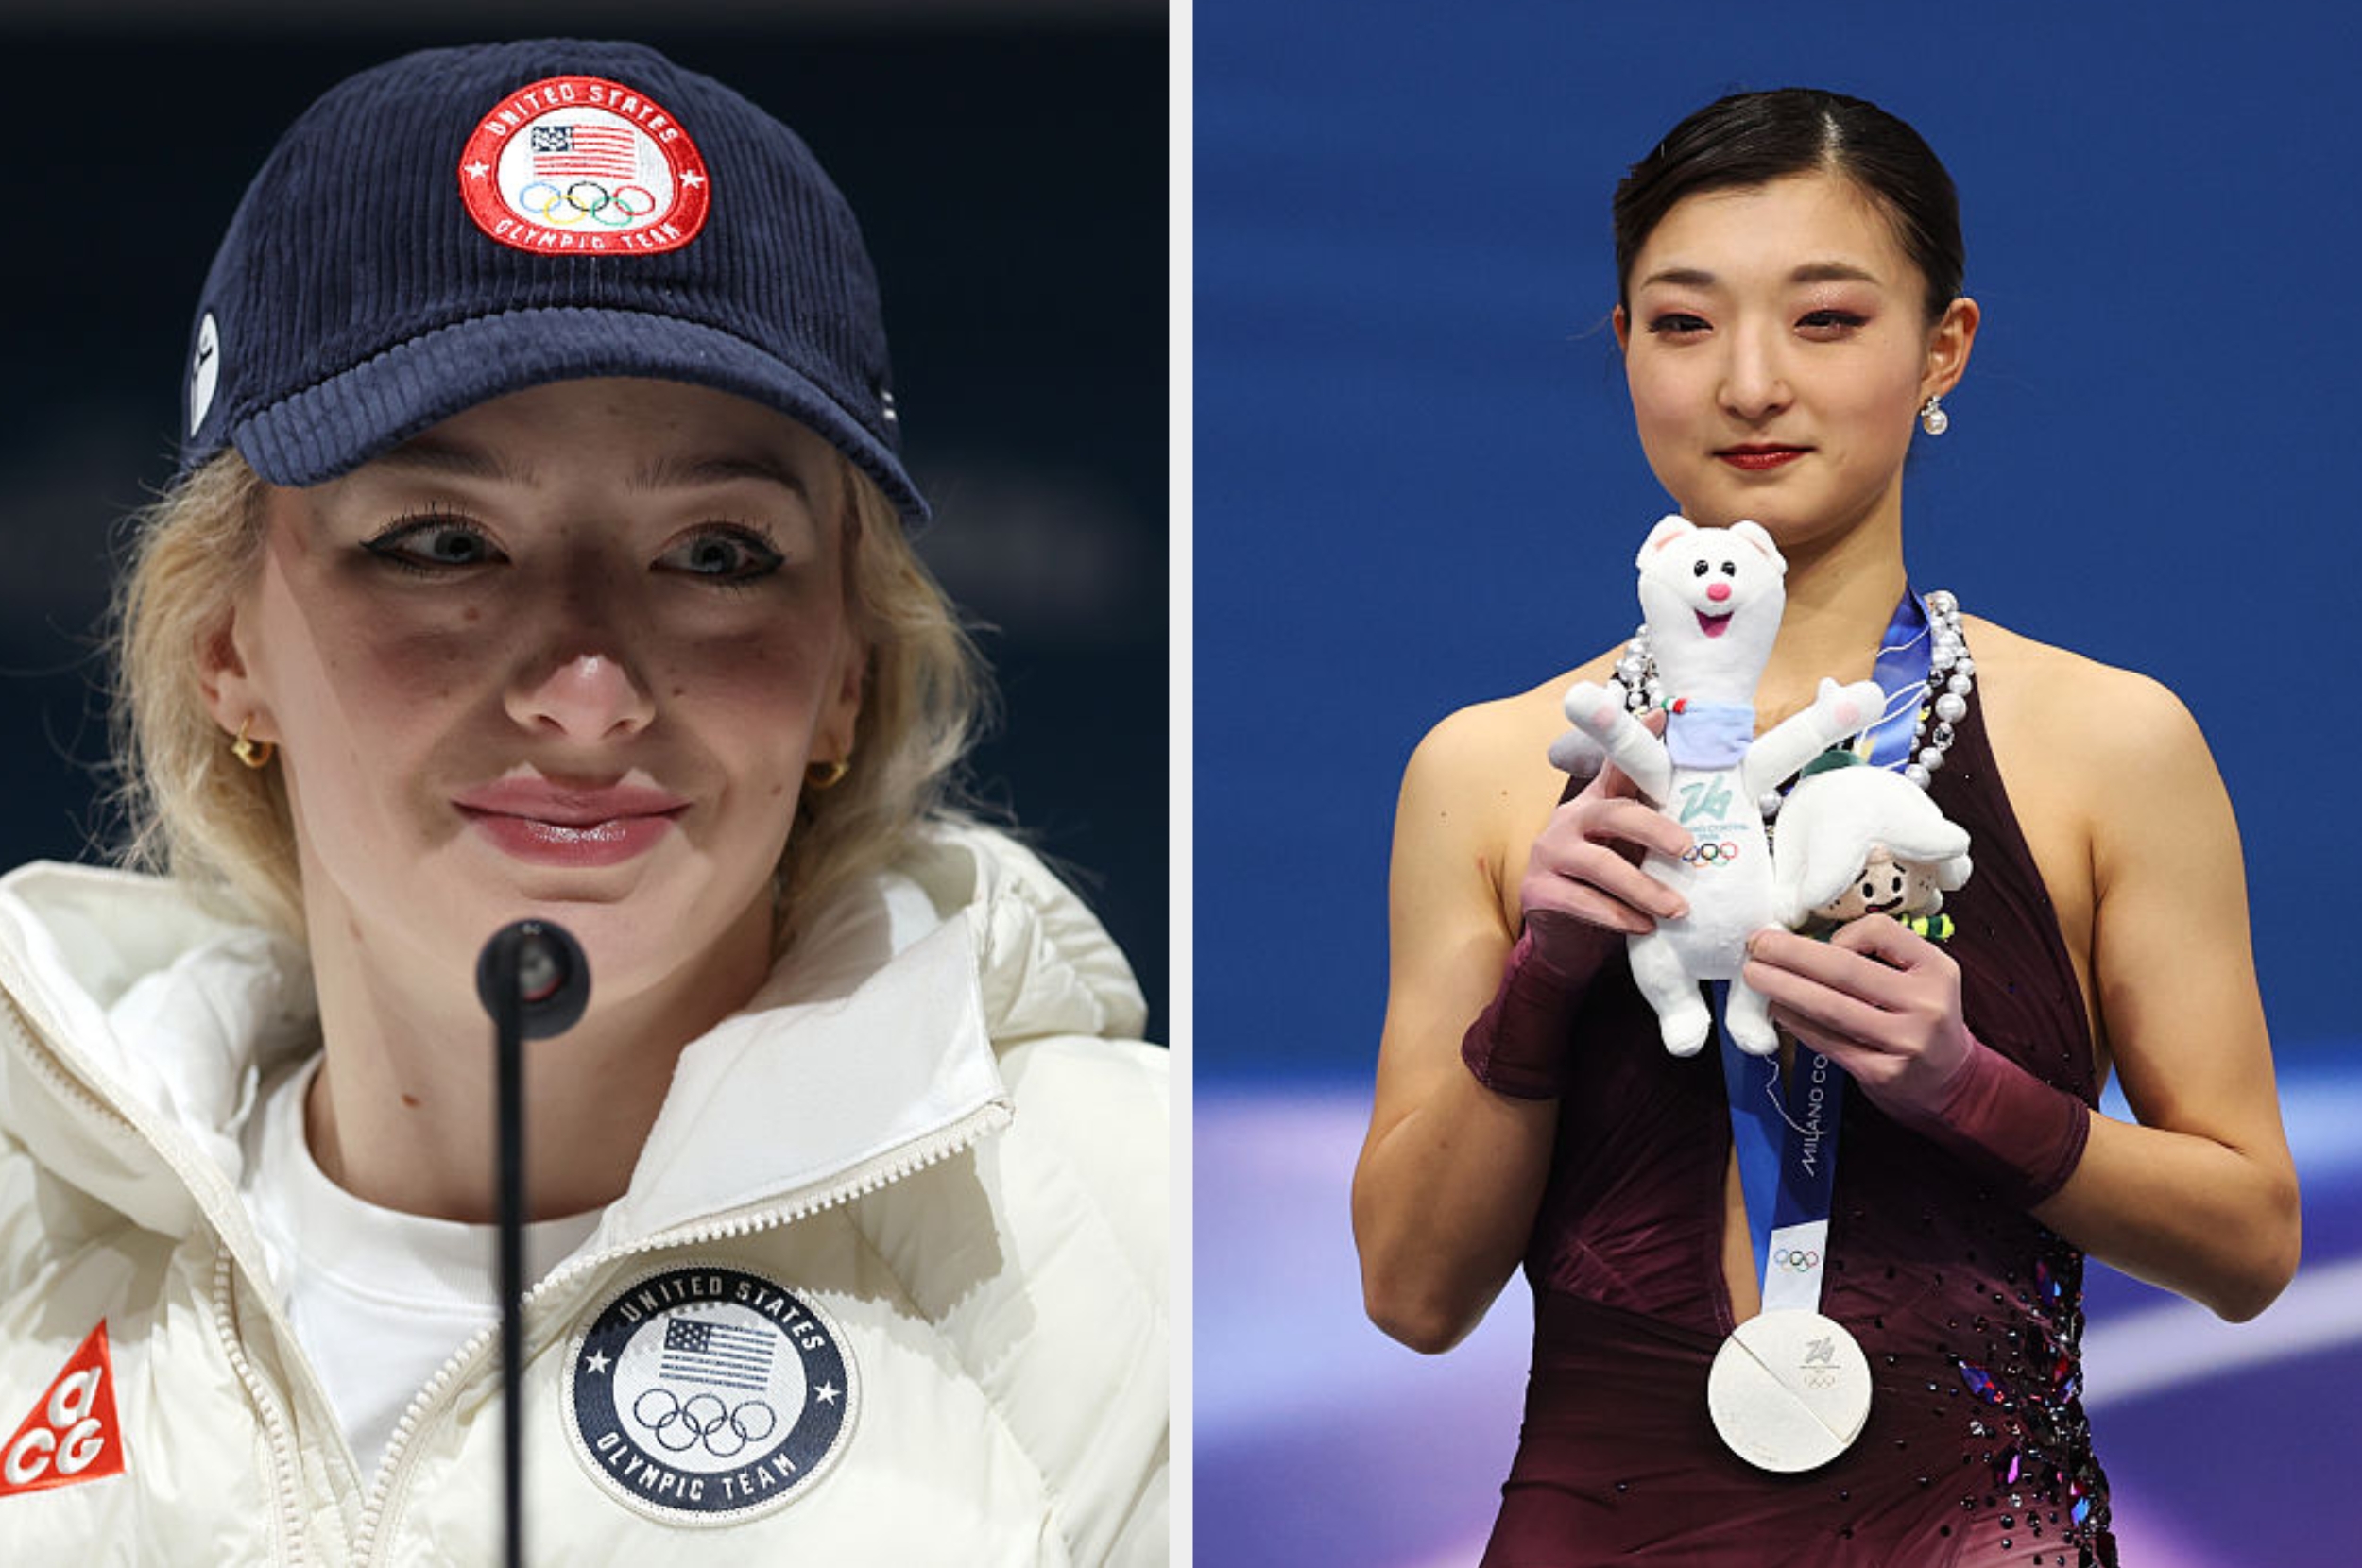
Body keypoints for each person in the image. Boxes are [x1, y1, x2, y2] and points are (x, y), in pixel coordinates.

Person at [0, 39, 1166, 1564]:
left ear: (846, 679)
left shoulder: (1143, 1254)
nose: (590, 687)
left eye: (717, 554)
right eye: (440, 543)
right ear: (228, 649)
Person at [1351, 87, 2297, 1567]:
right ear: (1624, 353)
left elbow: (2248, 1245)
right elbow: (1413, 1296)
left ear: (1944, 350)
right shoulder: (1488, 772)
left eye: (1826, 320)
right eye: (1683, 324)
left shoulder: (2113, 746)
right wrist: (1542, 984)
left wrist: (1969, 1089)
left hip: (1981, 1533)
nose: (1748, 383)